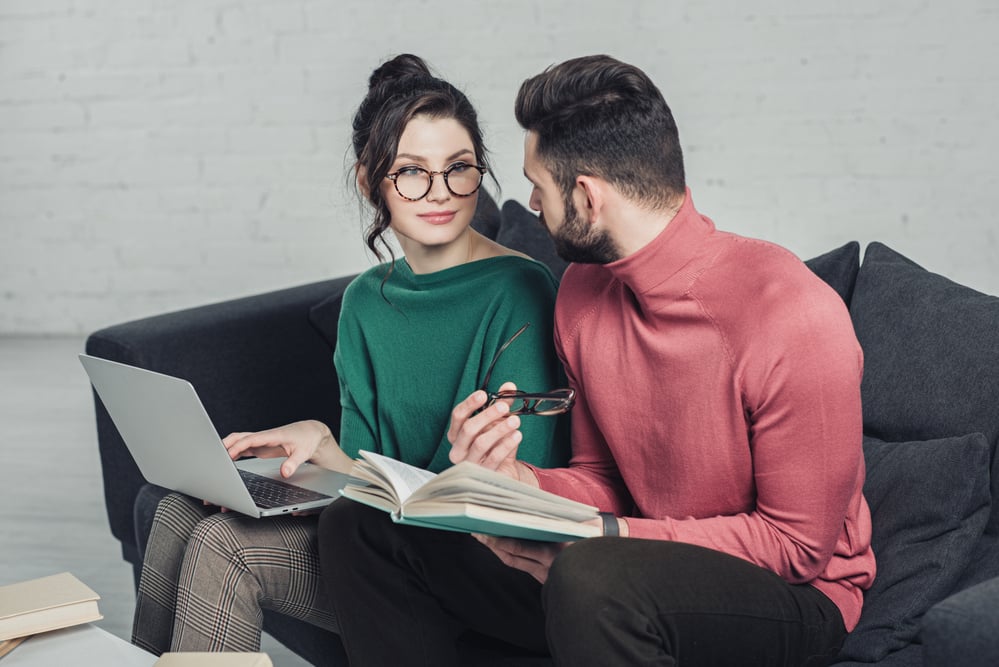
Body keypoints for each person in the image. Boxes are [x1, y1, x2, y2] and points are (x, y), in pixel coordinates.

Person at [317, 54, 876, 666]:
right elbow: (602, 477)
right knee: (360, 527)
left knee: (590, 576)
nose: (528, 201)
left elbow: (797, 548)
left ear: (585, 196)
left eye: (538, 184)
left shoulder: (792, 316)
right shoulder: (584, 295)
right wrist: (517, 483)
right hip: (625, 561)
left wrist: (607, 536)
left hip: (795, 595)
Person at [130, 53, 569, 655]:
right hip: (382, 541)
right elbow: (373, 485)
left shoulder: (522, 290)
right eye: (411, 172)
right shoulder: (365, 302)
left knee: (223, 547)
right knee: (179, 510)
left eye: (458, 168)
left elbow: (505, 494)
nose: (439, 193)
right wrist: (322, 448)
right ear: (371, 182)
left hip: (480, 564)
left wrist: (356, 479)